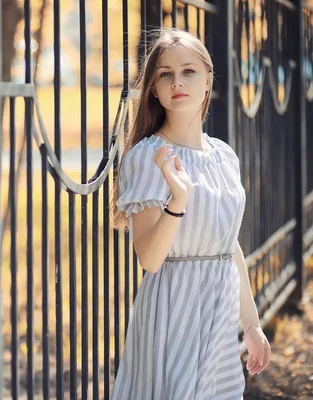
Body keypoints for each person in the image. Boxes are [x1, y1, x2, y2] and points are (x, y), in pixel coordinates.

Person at [109, 28, 271, 399]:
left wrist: (251, 325)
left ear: (208, 77)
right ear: (153, 87)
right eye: (165, 73)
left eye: (188, 71)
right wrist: (176, 203)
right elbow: (149, 259)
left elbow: (229, 248)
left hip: (219, 312)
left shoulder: (224, 156)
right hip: (171, 312)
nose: (176, 81)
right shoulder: (147, 158)